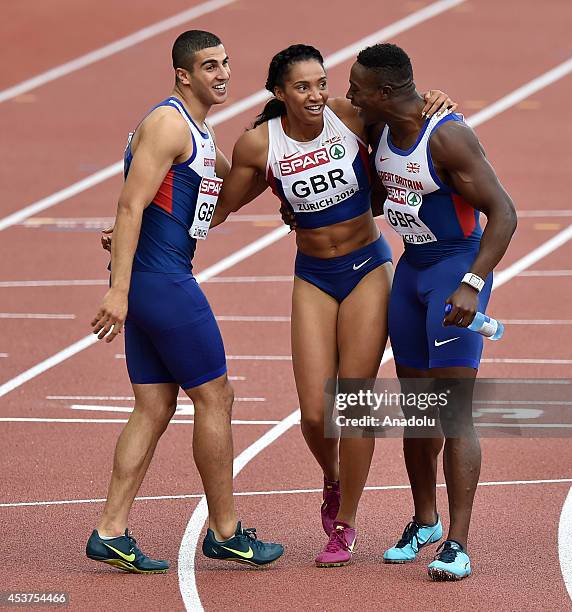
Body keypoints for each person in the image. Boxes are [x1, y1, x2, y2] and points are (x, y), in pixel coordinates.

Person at [210, 44, 455, 567]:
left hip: (369, 267)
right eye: (303, 87)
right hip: (314, 275)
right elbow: (220, 205)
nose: (317, 94)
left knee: (354, 402)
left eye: (321, 82)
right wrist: (136, 224)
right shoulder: (259, 145)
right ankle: (334, 478)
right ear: (279, 93)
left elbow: (404, 106)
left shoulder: (350, 116)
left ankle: (344, 525)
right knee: (316, 414)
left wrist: (435, 98)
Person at [86, 30, 284, 574]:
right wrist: (119, 291)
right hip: (161, 283)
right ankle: (224, 532)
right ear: (183, 75)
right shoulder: (169, 124)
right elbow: (130, 206)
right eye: (208, 66)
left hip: (156, 279)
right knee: (216, 397)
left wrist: (286, 159)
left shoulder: (196, 129)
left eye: (225, 63)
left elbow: (233, 180)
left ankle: (110, 530)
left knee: (153, 406)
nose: (221, 74)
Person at [346, 43, 517, 580]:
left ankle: (457, 544)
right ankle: (423, 520)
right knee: (419, 407)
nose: (349, 96)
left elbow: (505, 214)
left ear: (384, 92)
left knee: (452, 409)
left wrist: (472, 283)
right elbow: (384, 196)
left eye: (357, 88)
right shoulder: (377, 129)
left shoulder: (447, 135)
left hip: (454, 270)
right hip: (412, 271)